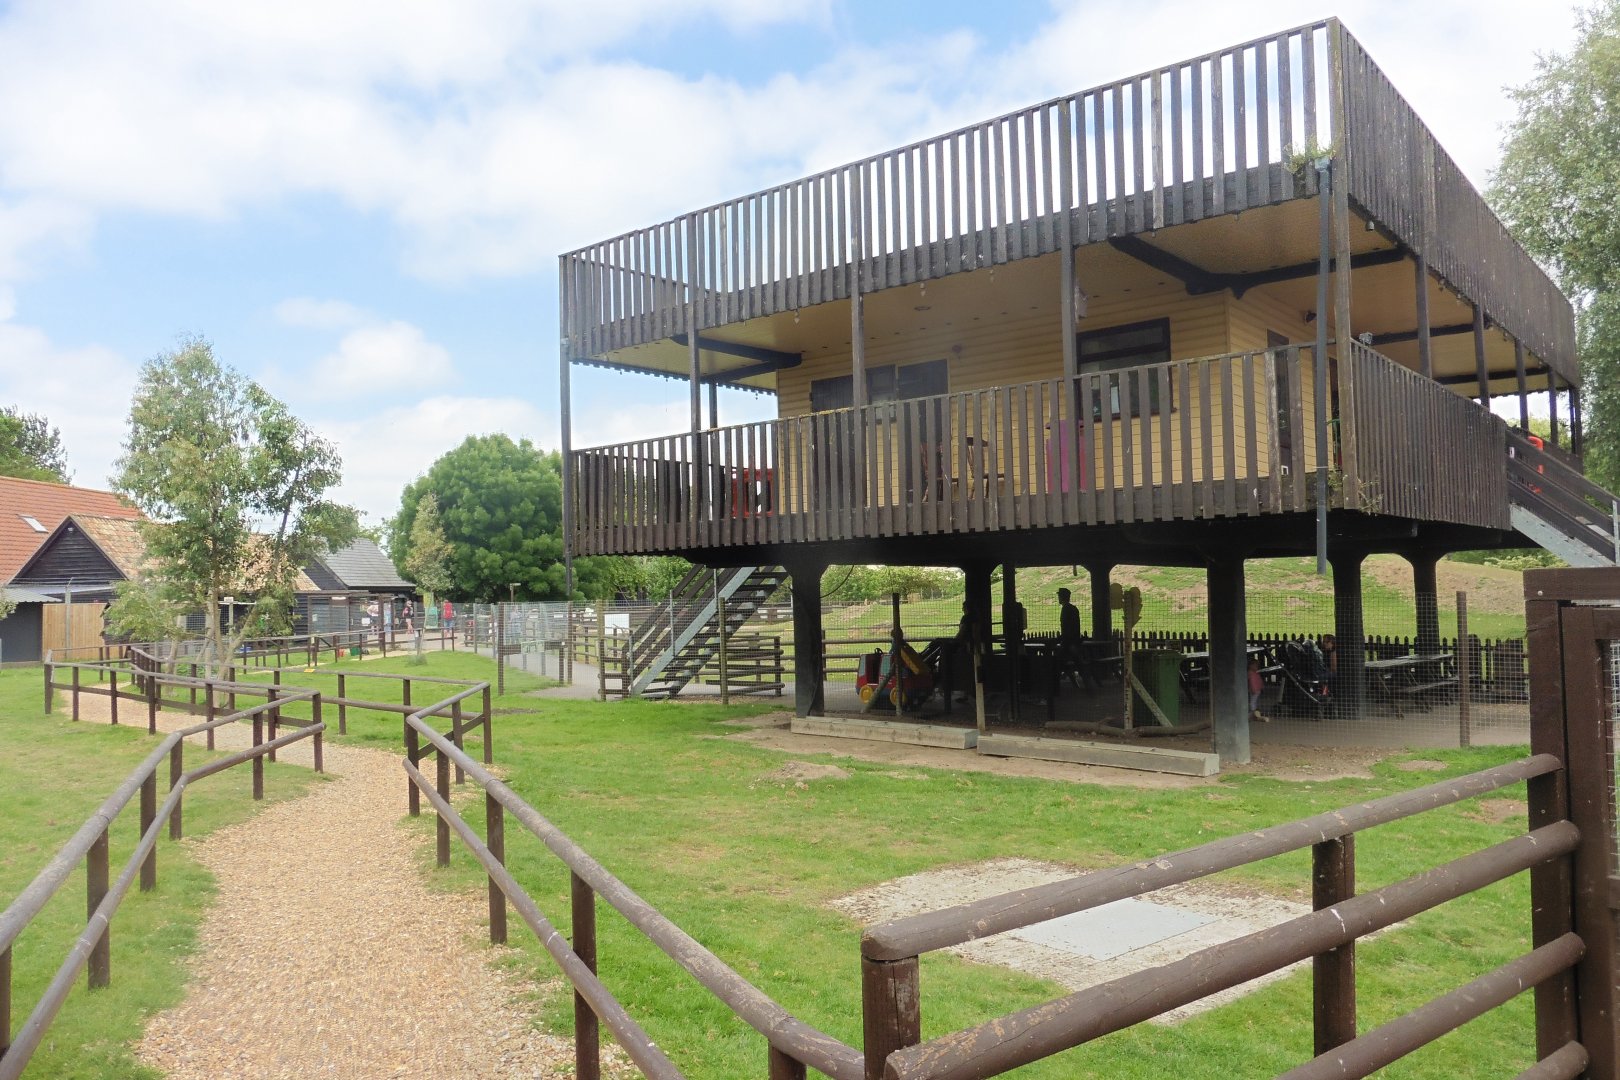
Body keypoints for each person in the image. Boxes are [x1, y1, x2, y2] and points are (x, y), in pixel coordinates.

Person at [1056, 587, 1083, 690]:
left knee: (1058, 661)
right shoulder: (1073, 608)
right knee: (1074, 663)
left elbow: (1066, 628)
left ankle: (1054, 685)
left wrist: (1062, 639)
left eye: (1059, 596)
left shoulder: (1065, 609)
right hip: (1074, 642)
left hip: (1069, 643)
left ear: (1061, 597)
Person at [1248, 655, 1271, 722]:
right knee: (1253, 702)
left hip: (1256, 690)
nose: (1257, 667)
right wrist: (1255, 689)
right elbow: (1252, 682)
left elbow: (1259, 681)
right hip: (1254, 690)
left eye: (1257, 666)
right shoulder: (1251, 674)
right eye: (1255, 666)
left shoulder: (1254, 673)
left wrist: (1261, 687)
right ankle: (1253, 712)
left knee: (1254, 701)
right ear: (1251, 666)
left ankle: (1254, 713)